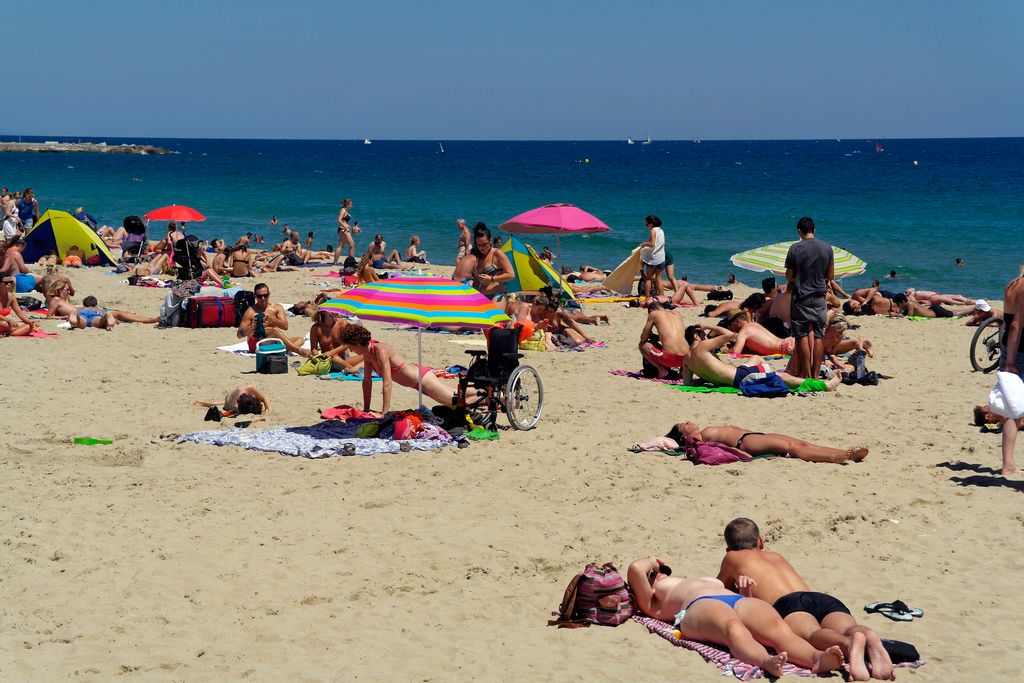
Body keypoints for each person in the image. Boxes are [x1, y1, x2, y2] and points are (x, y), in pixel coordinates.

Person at [716, 518, 892, 681]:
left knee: (812, 633)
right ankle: (866, 635)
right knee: (847, 627)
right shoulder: (776, 556)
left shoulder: (731, 557)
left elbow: (719, 588)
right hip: (819, 597)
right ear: (761, 542)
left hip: (790, 604)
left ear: (728, 549)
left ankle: (849, 643)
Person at [627, 556, 844, 677]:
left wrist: (745, 591)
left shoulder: (687, 580)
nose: (660, 572)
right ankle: (765, 661)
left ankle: (816, 658)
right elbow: (636, 568)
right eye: (654, 574)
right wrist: (653, 561)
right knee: (733, 628)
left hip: (735, 600)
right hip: (697, 606)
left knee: (778, 630)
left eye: (661, 570)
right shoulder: (653, 601)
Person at [337, 324, 457, 413]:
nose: (351, 351)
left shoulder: (380, 350)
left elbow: (387, 383)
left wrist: (384, 413)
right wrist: (366, 409)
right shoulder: (368, 355)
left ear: (357, 343)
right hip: (415, 383)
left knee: (456, 403)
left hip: (422, 379)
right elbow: (367, 382)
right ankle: (475, 392)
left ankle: (476, 394)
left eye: (351, 347)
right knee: (456, 397)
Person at [682, 326, 840, 391]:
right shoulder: (702, 347)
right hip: (740, 377)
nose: (706, 336)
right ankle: (825, 386)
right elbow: (730, 335)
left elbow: (688, 383)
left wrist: (704, 378)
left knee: (757, 358)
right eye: (703, 334)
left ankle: (768, 371)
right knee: (782, 377)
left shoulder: (687, 360)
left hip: (737, 373)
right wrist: (709, 326)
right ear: (696, 335)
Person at [666, 421, 867, 464]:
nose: (688, 421)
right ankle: (840, 456)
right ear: (683, 436)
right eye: (683, 424)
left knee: (801, 443)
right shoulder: (700, 440)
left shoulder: (704, 433)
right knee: (794, 448)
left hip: (755, 435)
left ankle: (843, 452)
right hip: (745, 442)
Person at [785, 217, 834, 379]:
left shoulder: (795, 248)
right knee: (819, 335)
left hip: (801, 298)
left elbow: (789, 276)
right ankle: (815, 374)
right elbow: (831, 276)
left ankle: (807, 374)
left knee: (803, 335)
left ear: (799, 231)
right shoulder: (827, 248)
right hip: (820, 297)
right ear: (814, 230)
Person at [999, 266, 1024, 476]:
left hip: (1008, 346)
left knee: (1012, 408)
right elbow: (1017, 325)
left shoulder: (1011, 284)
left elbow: (1007, 323)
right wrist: (1012, 361)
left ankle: (1007, 464)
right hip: (1019, 351)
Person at [236, 283, 306, 354]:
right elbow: (239, 334)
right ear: (255, 296)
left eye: (265, 296)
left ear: (269, 295)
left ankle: (284, 349)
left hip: (273, 340)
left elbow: (285, 326)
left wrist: (273, 320)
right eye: (259, 296)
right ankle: (298, 350)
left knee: (300, 339)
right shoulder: (251, 312)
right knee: (273, 330)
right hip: (257, 343)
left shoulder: (276, 308)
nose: (263, 298)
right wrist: (251, 327)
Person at [451, 223, 514, 298]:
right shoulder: (480, 256)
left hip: (497, 295)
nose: (481, 248)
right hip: (481, 295)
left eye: (484, 244)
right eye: (479, 245)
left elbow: (511, 275)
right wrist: (473, 282)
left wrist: (491, 279)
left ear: (490, 240)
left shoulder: (497, 253)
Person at [639, 300, 690, 378]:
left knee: (642, 345)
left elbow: (643, 338)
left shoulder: (654, 314)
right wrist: (659, 338)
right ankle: (683, 371)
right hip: (686, 359)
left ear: (653, 310)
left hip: (669, 359)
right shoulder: (676, 314)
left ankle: (661, 370)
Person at [0, 272, 37, 336]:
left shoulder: (11, 296)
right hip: (4, 323)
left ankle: (9, 333)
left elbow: (19, 312)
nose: (9, 284)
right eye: (6, 283)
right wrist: (8, 320)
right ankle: (13, 331)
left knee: (29, 325)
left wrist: (29, 322)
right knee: (6, 324)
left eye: (10, 282)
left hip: (5, 323)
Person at [638, 215, 666, 298]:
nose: (646, 226)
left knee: (648, 279)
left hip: (654, 259)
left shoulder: (653, 231)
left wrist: (643, 244)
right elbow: (657, 242)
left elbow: (652, 244)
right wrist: (648, 242)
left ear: (651, 224)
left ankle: (647, 297)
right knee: (659, 278)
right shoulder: (661, 231)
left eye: (647, 224)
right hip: (661, 258)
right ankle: (662, 296)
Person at [195, 385, 271, 415]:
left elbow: (264, 398)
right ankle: (201, 402)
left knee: (215, 403)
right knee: (260, 400)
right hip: (229, 403)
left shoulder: (247, 389)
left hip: (228, 402)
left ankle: (200, 402)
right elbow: (264, 398)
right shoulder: (236, 406)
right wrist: (269, 409)